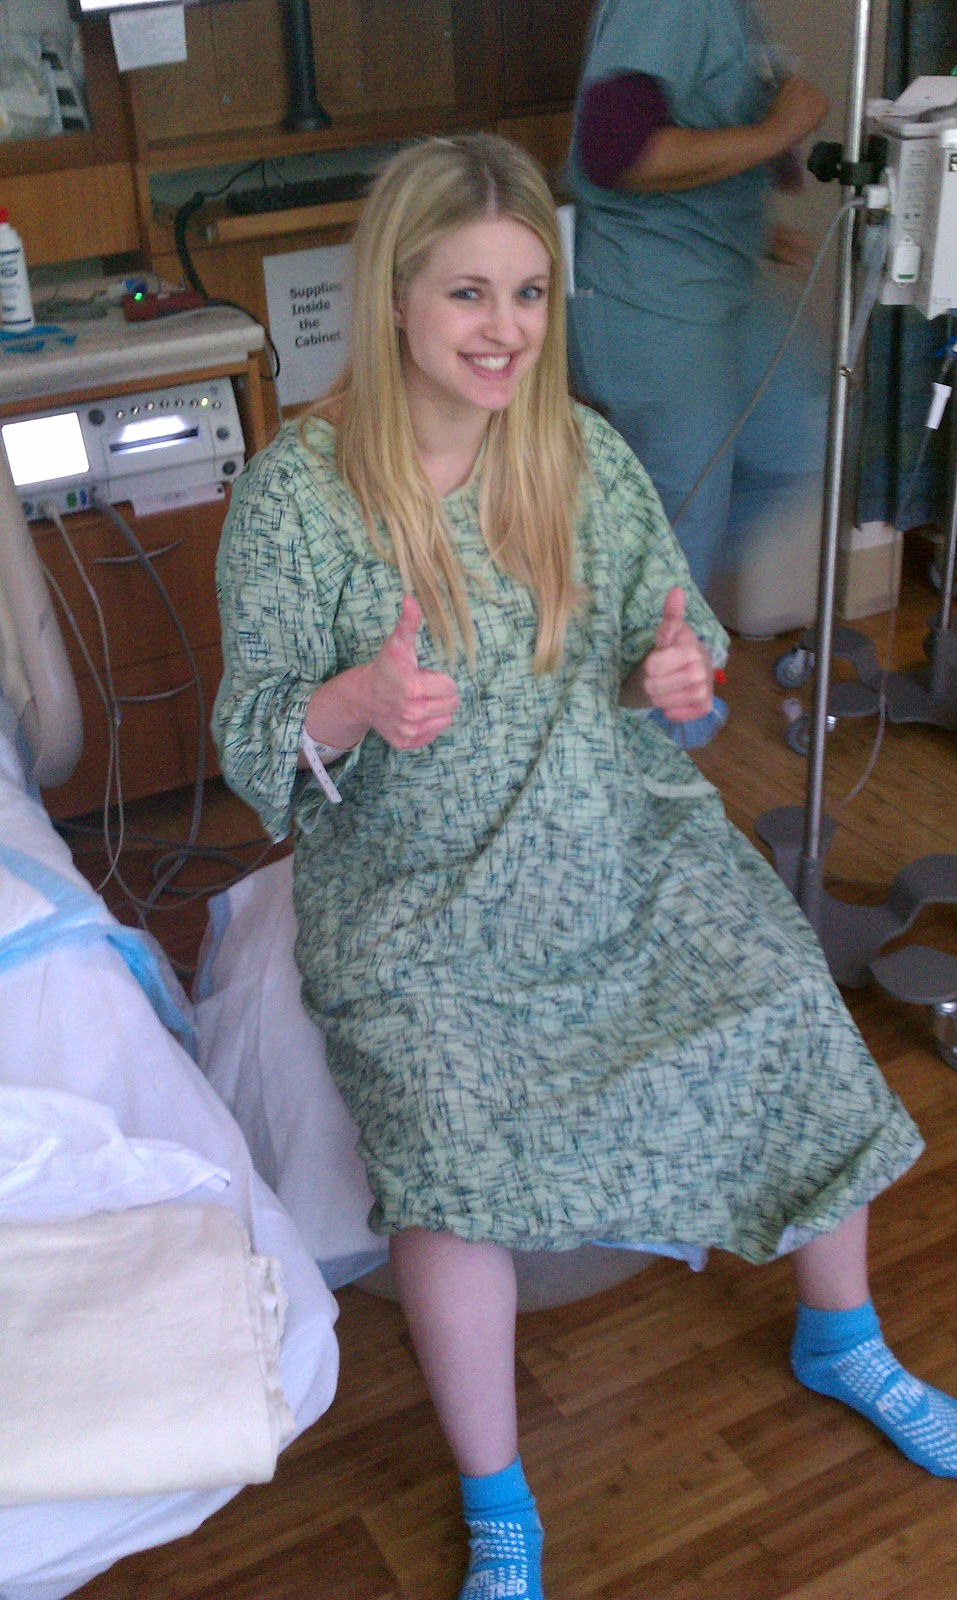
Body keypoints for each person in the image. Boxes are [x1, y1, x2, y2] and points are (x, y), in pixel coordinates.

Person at [212, 133, 957, 1600]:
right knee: (446, 1155)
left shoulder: (577, 455)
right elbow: (253, 738)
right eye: (468, 294)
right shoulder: (297, 498)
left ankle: (843, 1336)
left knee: (785, 1001)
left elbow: (666, 655)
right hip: (416, 888)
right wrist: (352, 702)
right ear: (395, 297)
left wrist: (676, 676)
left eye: (530, 294)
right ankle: (499, 1499)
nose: (505, 330)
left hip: (612, 830)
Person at [566, 0, 831, 597]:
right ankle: (655, 638)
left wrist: (746, 219)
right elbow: (615, 152)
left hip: (721, 273)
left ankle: (653, 606)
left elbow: (698, 111)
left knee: (792, 445)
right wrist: (774, 134)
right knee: (684, 525)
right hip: (653, 293)